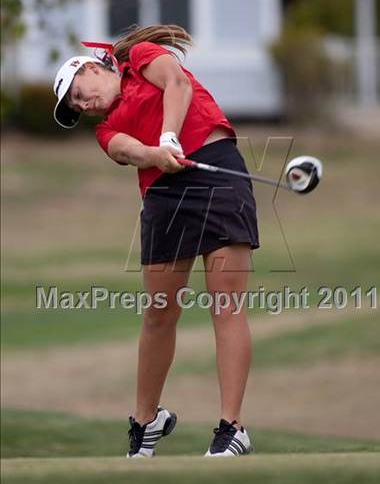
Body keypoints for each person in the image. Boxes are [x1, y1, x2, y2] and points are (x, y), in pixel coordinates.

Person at [53, 24, 259, 457]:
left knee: (226, 303)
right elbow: (128, 150)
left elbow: (177, 84)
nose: (82, 104)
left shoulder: (141, 57)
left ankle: (232, 428)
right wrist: (156, 155)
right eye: (75, 105)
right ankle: (146, 423)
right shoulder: (104, 130)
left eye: (78, 91)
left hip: (215, 165)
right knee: (159, 314)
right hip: (164, 193)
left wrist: (169, 135)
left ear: (93, 67)